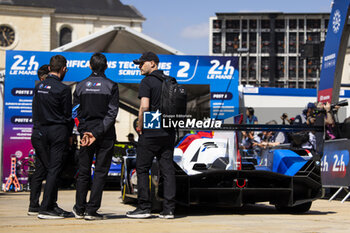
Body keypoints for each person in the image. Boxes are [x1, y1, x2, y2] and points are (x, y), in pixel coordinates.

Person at [126, 52, 176, 219]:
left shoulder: (147, 81)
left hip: (151, 127)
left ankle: (144, 207)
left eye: (142, 63)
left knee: (142, 168)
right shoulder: (170, 80)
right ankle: (168, 209)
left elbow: (144, 107)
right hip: (169, 129)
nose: (139, 67)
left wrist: (140, 125)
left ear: (153, 64)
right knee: (167, 170)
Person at [72, 53, 119, 220]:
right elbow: (112, 114)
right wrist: (96, 133)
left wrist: (85, 131)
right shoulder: (112, 85)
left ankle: (79, 208)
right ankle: (91, 211)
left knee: (84, 172)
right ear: (106, 67)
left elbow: (75, 112)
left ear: (90, 66)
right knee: (100, 172)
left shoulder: (80, 85)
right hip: (104, 134)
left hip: (86, 135)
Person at [32, 56, 74, 219]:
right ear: (63, 69)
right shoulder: (63, 89)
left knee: (46, 169)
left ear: (49, 68)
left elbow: (35, 111)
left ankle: (50, 205)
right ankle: (46, 207)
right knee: (54, 170)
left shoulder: (39, 86)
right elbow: (68, 116)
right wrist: (69, 135)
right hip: (58, 132)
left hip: (41, 131)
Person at [28, 64, 51, 216]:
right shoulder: (43, 91)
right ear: (43, 77)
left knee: (40, 170)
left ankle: (34, 205)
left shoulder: (38, 91)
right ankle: (47, 205)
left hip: (38, 135)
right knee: (51, 169)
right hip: (43, 135)